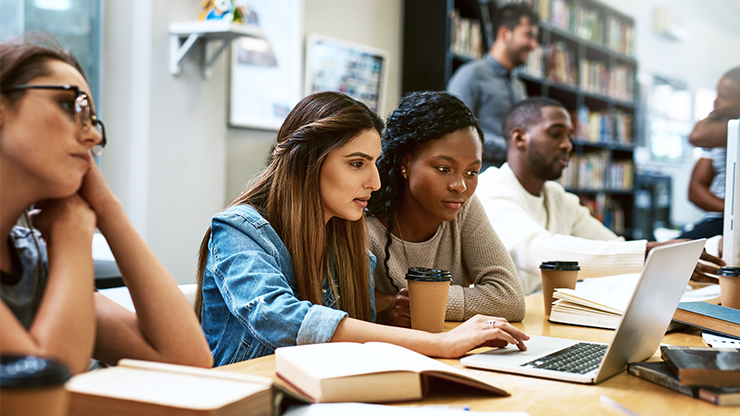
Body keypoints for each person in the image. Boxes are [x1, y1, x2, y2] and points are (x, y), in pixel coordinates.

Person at [195, 91, 529, 366]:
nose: (375, 181)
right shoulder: (238, 231)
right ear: (306, 162)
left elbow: (360, 330)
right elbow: (282, 319)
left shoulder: (345, 233)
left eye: (373, 162)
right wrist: (438, 343)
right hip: (245, 398)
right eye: (357, 164)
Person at [0, 34, 213, 374]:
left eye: (92, 120)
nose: (93, 137)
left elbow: (186, 359)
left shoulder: (31, 262)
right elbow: (41, 399)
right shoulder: (61, 244)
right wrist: (73, 233)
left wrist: (106, 207)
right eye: (70, 105)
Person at [477, 97, 723, 295]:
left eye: (569, 135)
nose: (568, 145)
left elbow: (614, 248)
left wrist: (715, 246)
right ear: (520, 138)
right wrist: (651, 253)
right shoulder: (491, 189)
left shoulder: (557, 197)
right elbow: (540, 254)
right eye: (555, 133)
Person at [365, 91, 525, 327]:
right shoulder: (362, 218)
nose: (460, 186)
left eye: (471, 172)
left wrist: (418, 302)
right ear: (405, 163)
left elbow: (510, 300)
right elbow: (348, 305)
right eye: (443, 168)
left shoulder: (463, 208)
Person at [447, 3, 539, 170]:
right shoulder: (470, 75)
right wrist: (512, 149)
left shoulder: (519, 86)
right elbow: (455, 132)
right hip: (481, 184)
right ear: (505, 34)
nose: (534, 45)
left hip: (515, 180)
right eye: (528, 35)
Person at [681, 67, 740, 239]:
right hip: (722, 219)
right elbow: (695, 189)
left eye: (724, 97)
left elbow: (696, 135)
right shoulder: (716, 135)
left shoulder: (731, 129)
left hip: (727, 222)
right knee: (670, 251)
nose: (716, 101)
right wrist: (731, 210)